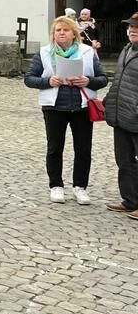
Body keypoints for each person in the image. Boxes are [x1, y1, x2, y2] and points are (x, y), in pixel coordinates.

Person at [24, 15, 108, 205]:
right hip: (54, 107)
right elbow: (29, 78)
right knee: (55, 148)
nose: (61, 33)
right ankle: (56, 185)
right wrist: (48, 81)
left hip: (82, 107)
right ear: (53, 34)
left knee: (83, 149)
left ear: (74, 34)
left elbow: (103, 78)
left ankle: (80, 187)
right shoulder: (44, 53)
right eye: (58, 30)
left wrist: (87, 81)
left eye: (65, 30)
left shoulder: (87, 52)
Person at [105, 12, 138, 219]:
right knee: (124, 160)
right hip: (122, 116)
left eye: (137, 28)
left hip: (135, 116)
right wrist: (109, 102)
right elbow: (118, 81)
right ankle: (131, 201)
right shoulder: (127, 50)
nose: (132, 30)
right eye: (131, 27)